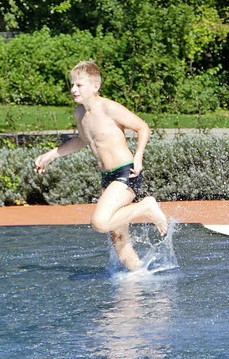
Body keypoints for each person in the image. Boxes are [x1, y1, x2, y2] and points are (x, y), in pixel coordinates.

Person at [35, 60, 168, 271]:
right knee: (118, 234)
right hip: (107, 177)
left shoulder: (109, 108)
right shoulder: (80, 114)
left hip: (126, 172)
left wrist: (139, 156)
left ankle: (147, 207)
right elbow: (82, 140)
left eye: (79, 85)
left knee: (99, 222)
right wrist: (52, 155)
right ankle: (138, 273)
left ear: (95, 87)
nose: (73, 89)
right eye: (72, 85)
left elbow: (142, 127)